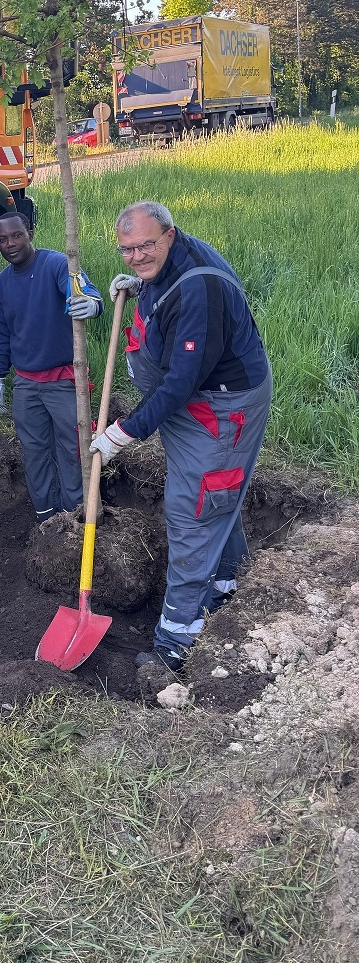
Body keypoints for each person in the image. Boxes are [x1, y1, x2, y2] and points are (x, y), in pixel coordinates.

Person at [91, 201, 272, 675]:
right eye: (126, 249)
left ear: (170, 235)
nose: (135, 256)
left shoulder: (199, 288)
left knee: (193, 509)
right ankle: (227, 583)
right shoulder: (166, 269)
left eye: (145, 246)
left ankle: (177, 640)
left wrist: (125, 431)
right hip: (193, 402)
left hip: (219, 409)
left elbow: (181, 380)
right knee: (215, 495)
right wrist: (142, 287)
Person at [0, 213, 103, 522]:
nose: (10, 244)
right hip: (26, 383)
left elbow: (82, 291)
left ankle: (76, 517)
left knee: (73, 449)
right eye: (2, 240)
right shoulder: (1, 285)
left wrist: (91, 302)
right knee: (35, 451)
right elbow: (0, 334)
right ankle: (46, 518)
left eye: (16, 235)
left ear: (29, 232)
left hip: (63, 380)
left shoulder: (55, 265)